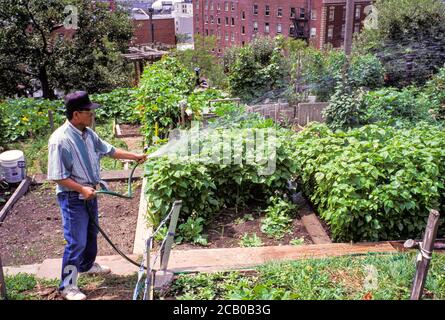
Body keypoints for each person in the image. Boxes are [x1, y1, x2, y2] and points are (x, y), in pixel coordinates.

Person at [47, 91, 147, 300]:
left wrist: (135, 156)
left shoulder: (88, 134)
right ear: (76, 115)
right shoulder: (60, 140)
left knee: (91, 233)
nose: (92, 114)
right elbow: (57, 177)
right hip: (73, 198)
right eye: (88, 111)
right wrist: (82, 189)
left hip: (90, 194)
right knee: (76, 242)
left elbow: (109, 150)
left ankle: (86, 265)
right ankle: (67, 286)